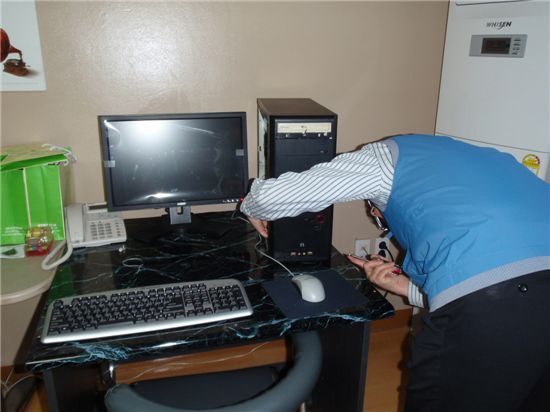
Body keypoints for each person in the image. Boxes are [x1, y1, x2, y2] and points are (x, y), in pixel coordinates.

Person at [240, 134, 550, 412]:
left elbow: (272, 197)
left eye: (381, 222)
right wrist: (405, 287)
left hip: (495, 304)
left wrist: (251, 205)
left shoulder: (387, 156)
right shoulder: (489, 160)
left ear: (375, 208)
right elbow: (502, 269)